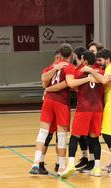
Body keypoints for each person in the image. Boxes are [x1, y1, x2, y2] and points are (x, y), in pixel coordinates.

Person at [30, 43, 76, 175]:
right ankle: (61, 167)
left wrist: (48, 86)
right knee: (61, 136)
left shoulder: (52, 66)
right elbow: (67, 83)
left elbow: (43, 80)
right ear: (71, 55)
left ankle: (36, 163)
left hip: (48, 101)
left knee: (43, 132)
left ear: (59, 55)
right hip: (61, 102)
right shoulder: (70, 67)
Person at [82, 48, 111, 177]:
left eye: (100, 60)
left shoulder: (110, 68)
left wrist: (91, 71)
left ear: (107, 59)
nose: (99, 62)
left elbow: (103, 81)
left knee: (106, 133)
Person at [61, 50, 104, 178]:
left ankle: (70, 165)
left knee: (75, 137)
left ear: (85, 60)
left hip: (84, 108)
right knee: (94, 138)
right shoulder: (100, 72)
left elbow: (71, 84)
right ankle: (97, 168)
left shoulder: (80, 72)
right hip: (97, 109)